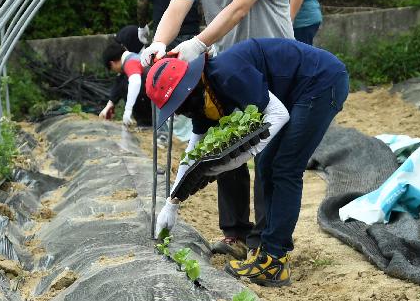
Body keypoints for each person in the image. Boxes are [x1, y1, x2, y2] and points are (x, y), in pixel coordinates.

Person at [141, 0, 294, 260]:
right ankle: (235, 234)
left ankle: (265, 242)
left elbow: (238, 9)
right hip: (228, 70)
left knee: (267, 154)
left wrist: (197, 43)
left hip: (272, 67)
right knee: (227, 148)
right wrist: (160, 42)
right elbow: (178, 5)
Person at [146, 38, 348, 286]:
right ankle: (269, 250)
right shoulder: (202, 99)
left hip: (320, 82)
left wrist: (235, 159)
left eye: (177, 104)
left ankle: (274, 261)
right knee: (267, 167)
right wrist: (172, 202)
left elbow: (277, 114)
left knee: (285, 167)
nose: (178, 112)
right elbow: (195, 148)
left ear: (188, 88)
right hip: (297, 92)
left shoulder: (227, 73)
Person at [98, 39, 152, 128]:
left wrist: (128, 110)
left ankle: (146, 122)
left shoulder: (130, 62)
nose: (115, 71)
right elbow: (118, 82)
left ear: (112, 63)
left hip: (159, 98)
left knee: (127, 84)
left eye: (112, 69)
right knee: (121, 79)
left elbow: (135, 83)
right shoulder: (134, 57)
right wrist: (110, 105)